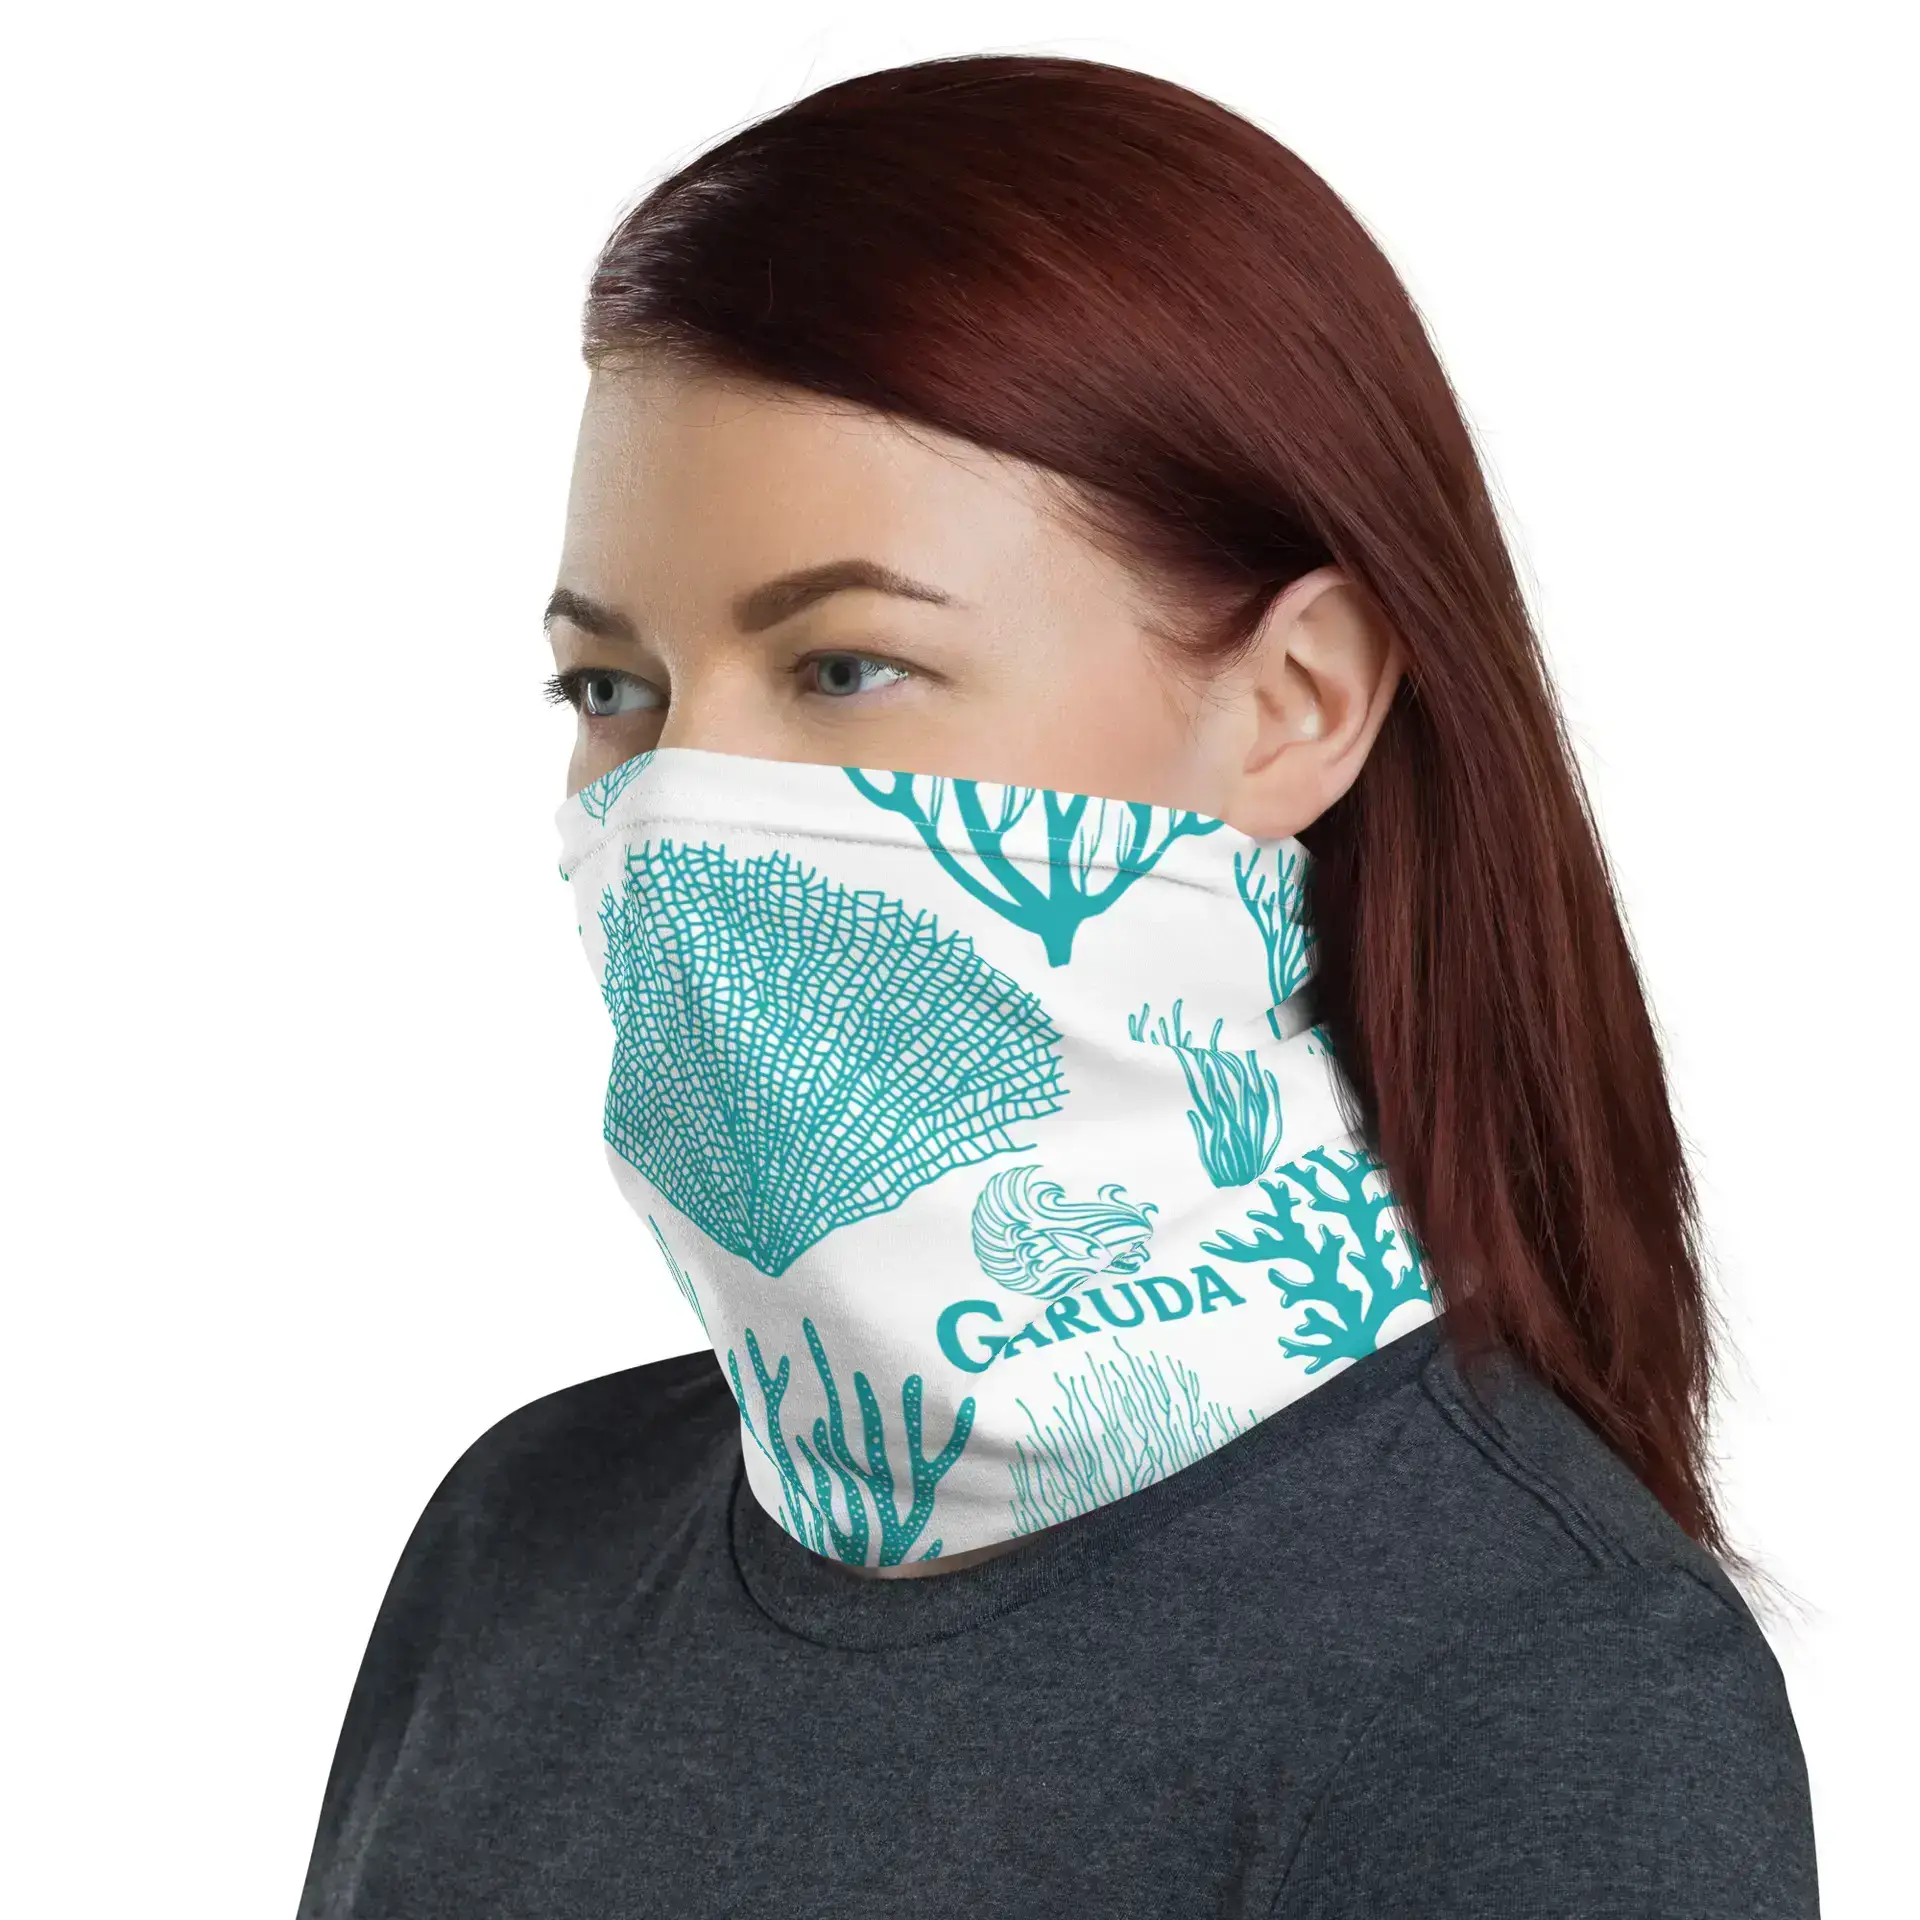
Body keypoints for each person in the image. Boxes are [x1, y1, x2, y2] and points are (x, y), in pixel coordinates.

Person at [298, 52, 1819, 1918]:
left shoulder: (1540, 1689)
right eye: (611, 688)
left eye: (848, 667)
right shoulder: (519, 1536)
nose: (681, 804)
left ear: (1298, 704)